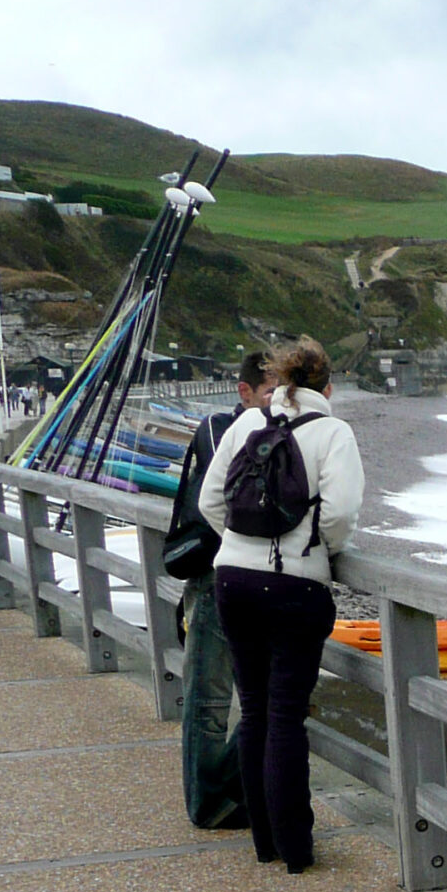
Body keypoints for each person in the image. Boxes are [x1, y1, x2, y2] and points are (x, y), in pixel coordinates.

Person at [198, 336, 364, 872]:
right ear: (327, 389)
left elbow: (210, 500)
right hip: (295, 586)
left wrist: (240, 544)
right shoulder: (333, 432)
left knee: (253, 711)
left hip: (233, 580)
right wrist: (314, 551)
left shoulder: (248, 422)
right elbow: (339, 514)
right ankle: (296, 848)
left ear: (281, 382)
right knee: (286, 714)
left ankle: (265, 842)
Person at [165, 353, 268, 828]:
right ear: (244, 392)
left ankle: (228, 790)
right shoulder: (221, 429)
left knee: (266, 701)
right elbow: (218, 497)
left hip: (248, 579)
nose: (278, 402)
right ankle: (209, 804)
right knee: (209, 700)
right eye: (269, 392)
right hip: (212, 578)